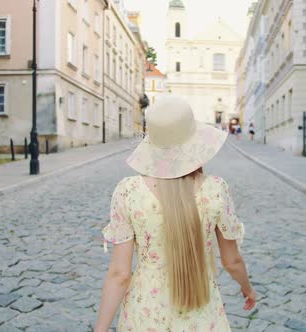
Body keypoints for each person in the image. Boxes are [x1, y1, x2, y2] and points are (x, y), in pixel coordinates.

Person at [95, 96, 256, 331]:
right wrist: (248, 289)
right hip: (201, 313)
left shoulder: (128, 191)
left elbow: (119, 274)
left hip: (145, 315)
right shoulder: (215, 189)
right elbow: (232, 262)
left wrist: (100, 329)